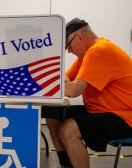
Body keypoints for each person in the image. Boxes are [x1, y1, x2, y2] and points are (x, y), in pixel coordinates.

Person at [44, 18, 132, 168]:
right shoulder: (87, 54)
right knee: (53, 115)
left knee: (68, 129)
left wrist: (47, 85)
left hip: (124, 116)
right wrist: (62, 83)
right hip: (102, 111)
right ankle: (67, 165)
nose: (69, 51)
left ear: (79, 36)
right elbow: (65, 77)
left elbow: (73, 90)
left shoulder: (99, 51)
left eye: (68, 46)